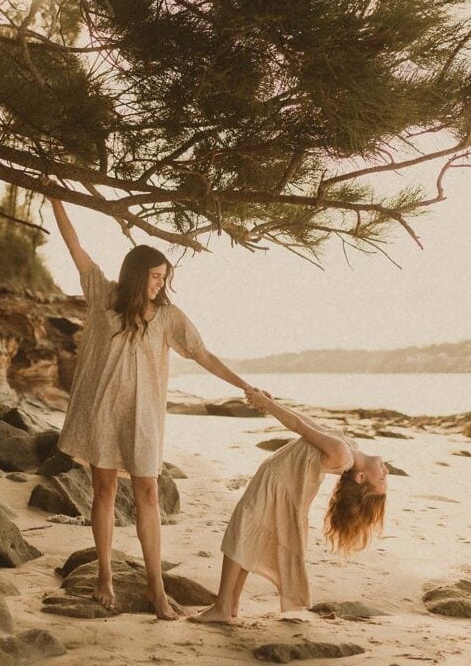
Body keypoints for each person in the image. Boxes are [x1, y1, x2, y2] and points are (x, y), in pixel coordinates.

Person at [49, 196, 255, 620]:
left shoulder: (168, 316)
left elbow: (203, 354)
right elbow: (76, 248)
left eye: (165, 278)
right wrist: (55, 200)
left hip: (143, 420)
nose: (161, 284)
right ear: (138, 273)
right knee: (103, 490)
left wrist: (245, 385)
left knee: (148, 493)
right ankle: (104, 575)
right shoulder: (103, 295)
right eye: (157, 276)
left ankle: (156, 588)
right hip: (101, 411)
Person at [191, 387, 388, 623]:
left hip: (277, 486)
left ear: (361, 477)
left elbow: (299, 427)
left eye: (382, 478)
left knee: (240, 535)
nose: (386, 471)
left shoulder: (342, 454)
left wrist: (267, 404)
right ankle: (230, 604)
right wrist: (271, 405)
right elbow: (309, 424)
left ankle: (223, 606)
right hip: (276, 482)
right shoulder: (348, 447)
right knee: (246, 538)